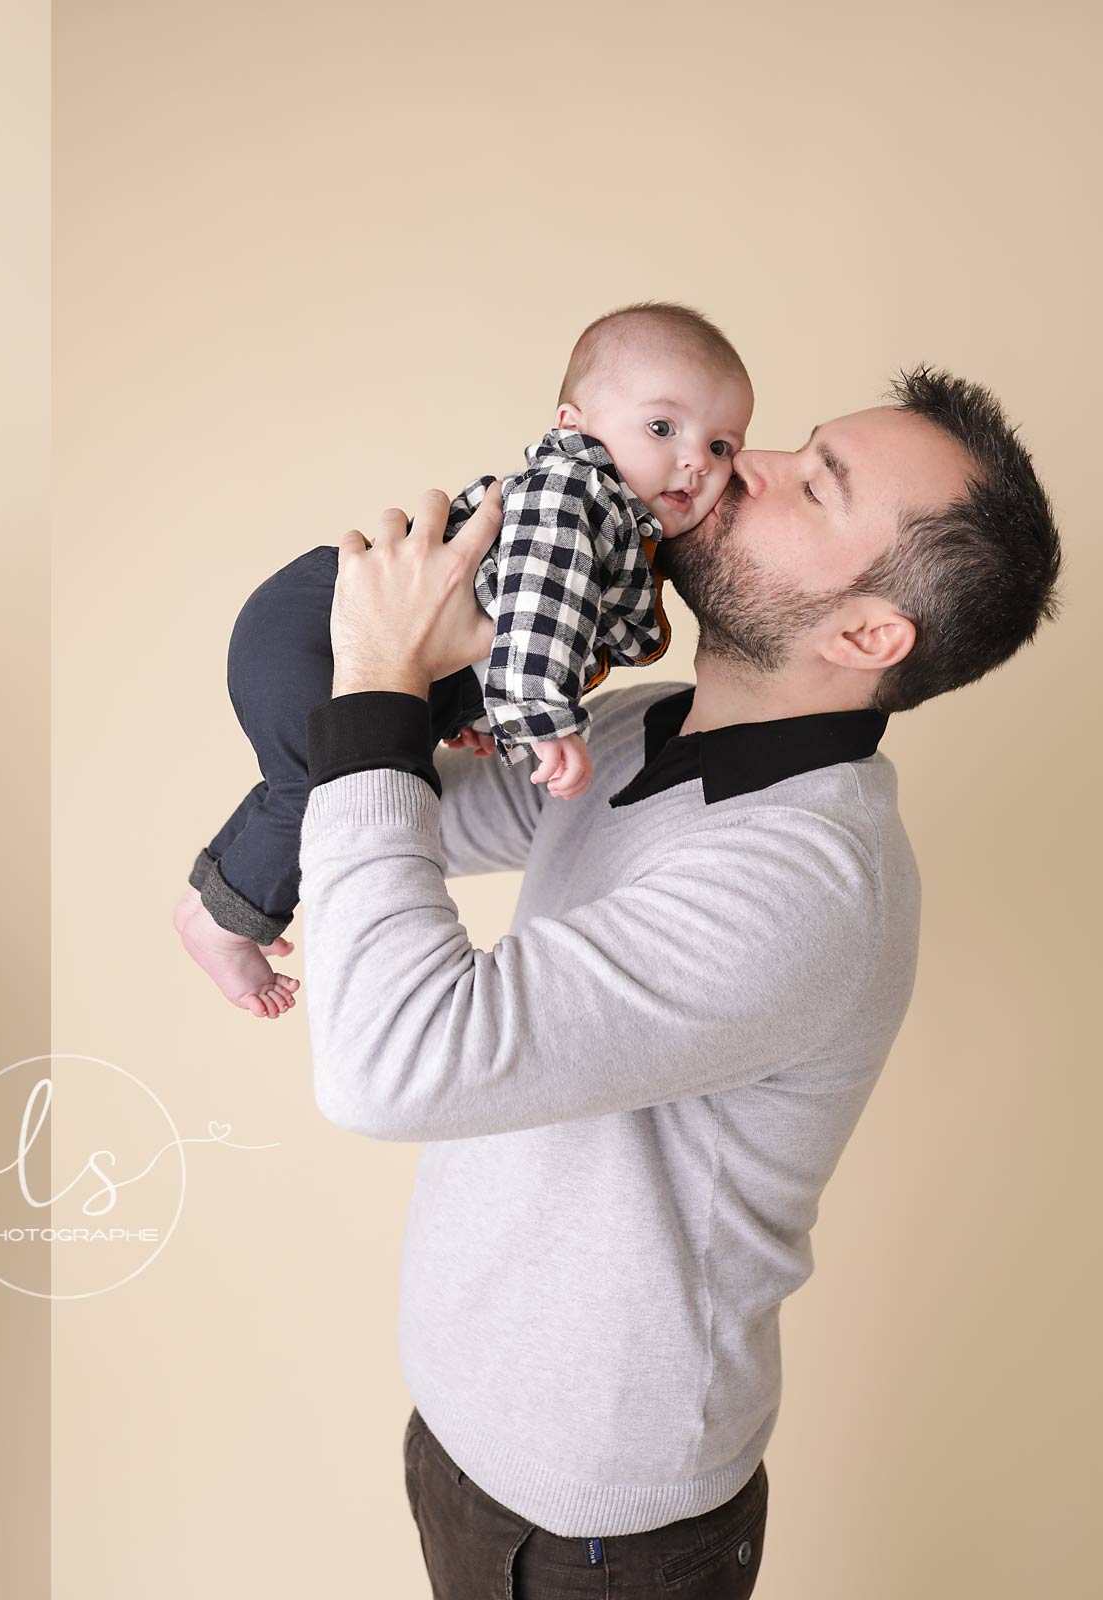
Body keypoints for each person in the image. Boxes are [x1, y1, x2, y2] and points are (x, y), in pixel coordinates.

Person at [298, 368, 1060, 1597]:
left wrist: (379, 682)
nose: (740, 462)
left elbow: (388, 1059)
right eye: (793, 444)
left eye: (811, 484)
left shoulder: (804, 881)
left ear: (868, 634)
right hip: (460, 1433)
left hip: (597, 1532)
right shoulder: (637, 728)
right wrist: (406, 629)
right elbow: (364, 803)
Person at [177, 303, 752, 1017]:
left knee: (305, 778)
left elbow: (498, 618)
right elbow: (539, 602)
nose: (695, 461)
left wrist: (470, 705)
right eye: (662, 428)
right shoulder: (579, 492)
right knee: (330, 787)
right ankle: (222, 925)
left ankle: (215, 894)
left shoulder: (616, 522)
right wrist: (537, 714)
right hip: (324, 625)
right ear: (573, 425)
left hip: (356, 636)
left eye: (723, 445)